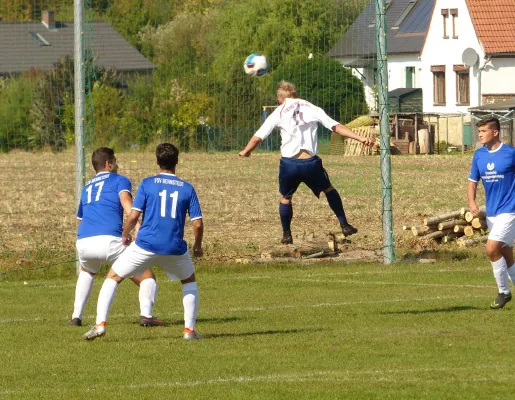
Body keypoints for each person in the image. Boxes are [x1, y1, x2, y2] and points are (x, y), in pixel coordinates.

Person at [83, 143, 203, 341]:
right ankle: (189, 331)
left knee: (113, 277)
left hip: (145, 245)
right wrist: (197, 246)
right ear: (177, 162)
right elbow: (197, 224)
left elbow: (133, 215)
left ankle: (100, 325)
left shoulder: (147, 184)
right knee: (188, 282)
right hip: (174, 247)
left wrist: (125, 233)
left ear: (157, 162)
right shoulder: (187, 188)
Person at [239, 80, 374, 244]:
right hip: (310, 163)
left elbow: (259, 136)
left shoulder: (279, 111)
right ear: (295, 95)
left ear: (280, 99)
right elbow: (335, 126)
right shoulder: (311, 107)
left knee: (285, 198)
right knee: (328, 189)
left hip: (289, 164)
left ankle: (286, 235)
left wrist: (246, 151)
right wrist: (360, 138)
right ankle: (344, 224)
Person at [71, 147, 165, 327]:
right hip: (111, 241)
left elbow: (79, 220)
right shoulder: (120, 180)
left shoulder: (87, 186)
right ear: (108, 164)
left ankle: (76, 316)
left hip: (84, 241)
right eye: (115, 161)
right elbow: (127, 204)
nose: (117, 165)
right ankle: (146, 315)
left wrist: (84, 241)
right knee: (147, 276)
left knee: (87, 271)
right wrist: (137, 227)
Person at [468, 116, 515, 309]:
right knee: (506, 253)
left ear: (495, 132)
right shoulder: (479, 155)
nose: (480, 134)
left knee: (491, 249)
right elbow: (472, 182)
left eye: (484, 131)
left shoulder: (511, 153)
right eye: (479, 132)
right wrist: (472, 202)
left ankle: (503, 291)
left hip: (509, 211)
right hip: (492, 213)